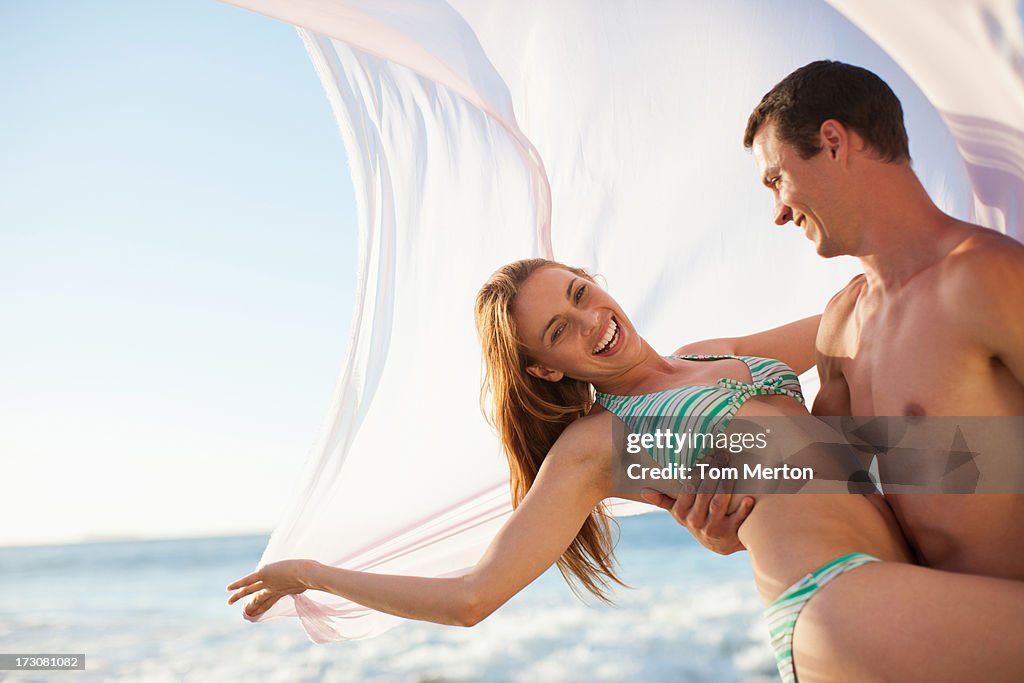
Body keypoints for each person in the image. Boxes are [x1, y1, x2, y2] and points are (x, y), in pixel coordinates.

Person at [229, 259, 1024, 682]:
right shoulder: (602, 442)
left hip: (901, 580)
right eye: (562, 330)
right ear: (546, 371)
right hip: (838, 598)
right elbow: (472, 599)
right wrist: (317, 573)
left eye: (582, 293)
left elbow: (872, 316)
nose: (594, 322)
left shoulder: (717, 354)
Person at [644, 61, 1024, 583]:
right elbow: (813, 480)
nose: (777, 210)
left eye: (776, 179)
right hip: (929, 635)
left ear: (833, 142)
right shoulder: (842, 325)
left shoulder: (988, 277)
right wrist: (730, 522)